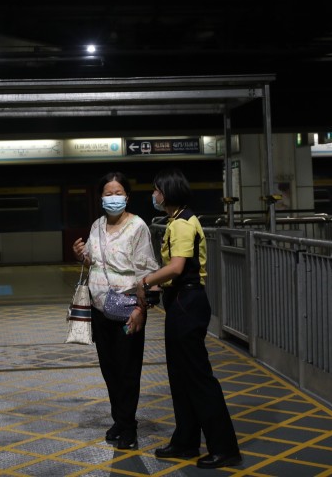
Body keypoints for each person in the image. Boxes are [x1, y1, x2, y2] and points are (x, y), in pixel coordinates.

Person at [134, 167, 241, 470]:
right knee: (180, 378)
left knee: (197, 378)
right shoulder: (178, 219)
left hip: (187, 303)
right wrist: (156, 285)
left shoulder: (182, 224)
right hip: (181, 301)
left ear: (165, 193)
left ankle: (224, 447)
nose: (153, 195)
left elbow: (177, 267)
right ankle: (185, 441)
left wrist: (145, 282)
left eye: (155, 190)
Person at [72, 171, 158, 450]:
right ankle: (119, 420)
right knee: (109, 368)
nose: (113, 198)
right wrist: (81, 256)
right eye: (108, 193)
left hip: (127, 307)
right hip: (99, 308)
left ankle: (129, 426)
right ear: (101, 198)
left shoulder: (138, 227)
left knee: (128, 369)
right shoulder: (97, 225)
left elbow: (147, 270)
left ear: (127, 196)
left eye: (117, 192)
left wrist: (141, 310)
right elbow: (95, 261)